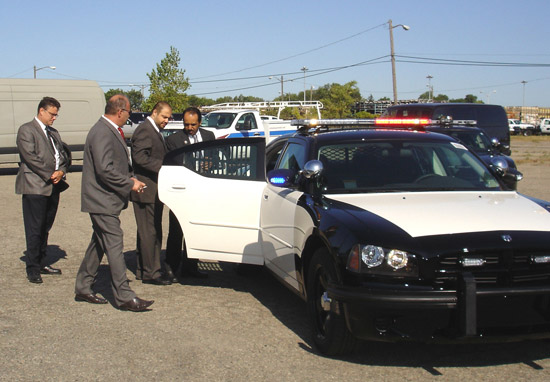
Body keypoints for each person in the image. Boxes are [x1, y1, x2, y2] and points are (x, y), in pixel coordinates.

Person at [74, 94, 153, 312]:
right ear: (120, 111)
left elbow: (113, 165)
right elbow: (104, 169)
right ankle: (124, 296)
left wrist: (131, 178)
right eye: (128, 113)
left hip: (105, 199)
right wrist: (129, 183)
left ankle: (83, 286)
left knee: (99, 242)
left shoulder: (107, 130)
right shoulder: (101, 131)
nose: (128, 117)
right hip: (101, 200)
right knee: (114, 241)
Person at [16, 96, 70, 284]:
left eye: (56, 115)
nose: (54, 118)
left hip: (53, 186)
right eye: (52, 114)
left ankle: (41, 261)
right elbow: (30, 157)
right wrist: (50, 173)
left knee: (45, 227)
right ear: (41, 111)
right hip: (35, 187)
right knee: (34, 228)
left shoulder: (53, 133)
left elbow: (62, 155)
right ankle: (32, 268)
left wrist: (61, 171)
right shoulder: (26, 130)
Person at [164, 107, 215, 280]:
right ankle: (171, 267)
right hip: (181, 192)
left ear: (200, 123)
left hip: (200, 192)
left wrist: (210, 164)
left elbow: (214, 158)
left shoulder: (209, 136)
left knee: (195, 231)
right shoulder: (173, 140)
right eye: (186, 124)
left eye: (193, 124)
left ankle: (191, 267)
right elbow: (174, 164)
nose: (190, 128)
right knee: (176, 232)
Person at [130, 101, 172, 285]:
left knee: (149, 230)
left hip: (153, 190)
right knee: (149, 232)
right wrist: (164, 168)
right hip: (145, 190)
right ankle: (151, 273)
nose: (167, 121)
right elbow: (139, 157)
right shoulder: (145, 130)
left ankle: (143, 268)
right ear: (155, 112)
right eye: (164, 117)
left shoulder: (153, 129)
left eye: (169, 118)